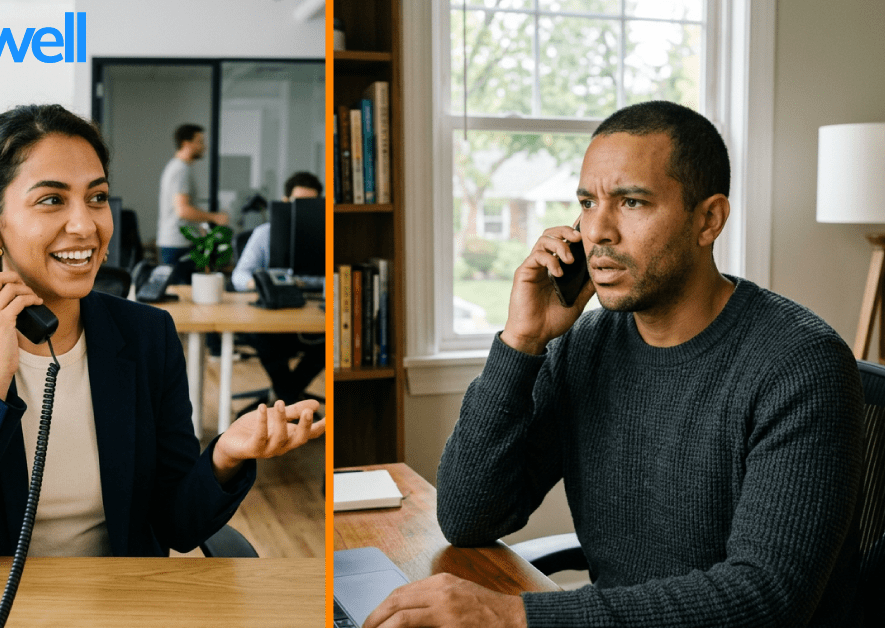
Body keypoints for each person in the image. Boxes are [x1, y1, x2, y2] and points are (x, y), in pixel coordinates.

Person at [366, 101, 865, 627]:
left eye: (631, 202)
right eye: (586, 201)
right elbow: (469, 516)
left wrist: (516, 617)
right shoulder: (587, 345)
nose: (596, 230)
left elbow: (764, 598)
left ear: (708, 219)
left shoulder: (800, 365)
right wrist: (521, 341)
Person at [0, 104, 325, 568]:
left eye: (96, 198)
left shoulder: (146, 336)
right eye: (52, 200)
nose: (86, 225)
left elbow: (176, 524)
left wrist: (225, 455)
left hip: (122, 604)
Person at [230, 172, 326, 404]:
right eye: (297, 202)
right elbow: (239, 276)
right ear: (285, 202)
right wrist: (261, 283)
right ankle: (291, 397)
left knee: (332, 339)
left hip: (311, 314)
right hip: (273, 314)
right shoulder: (264, 234)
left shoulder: (326, 234)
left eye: (310, 204)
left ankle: (286, 394)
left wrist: (305, 283)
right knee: (264, 338)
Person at [156, 123, 229, 280]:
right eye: (200, 141)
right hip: (177, 245)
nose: (204, 146)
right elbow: (182, 210)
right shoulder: (180, 169)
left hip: (178, 243)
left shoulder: (179, 168)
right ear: (186, 144)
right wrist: (214, 217)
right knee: (180, 297)